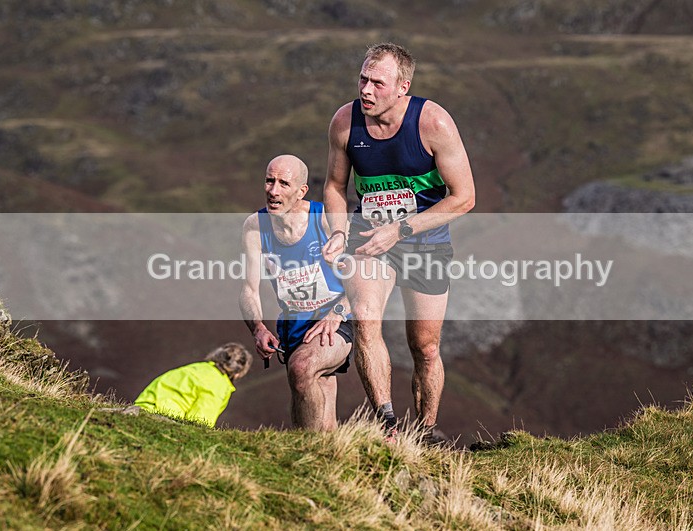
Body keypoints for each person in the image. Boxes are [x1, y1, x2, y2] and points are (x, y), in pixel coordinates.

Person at [322, 42, 475, 442]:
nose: (366, 90)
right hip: (369, 239)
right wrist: (338, 231)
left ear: (402, 87)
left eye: (377, 83)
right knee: (366, 323)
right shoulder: (345, 122)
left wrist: (402, 229)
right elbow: (335, 186)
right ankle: (388, 425)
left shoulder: (434, 123)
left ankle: (426, 431)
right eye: (362, 79)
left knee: (424, 346)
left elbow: (464, 197)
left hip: (425, 242)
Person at [240, 154, 354, 431]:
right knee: (318, 405)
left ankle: (306, 453)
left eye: (283, 183)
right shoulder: (255, 226)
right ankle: (329, 459)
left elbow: (364, 280)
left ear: (302, 190)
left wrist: (337, 314)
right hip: (293, 324)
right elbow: (248, 288)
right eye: (269, 181)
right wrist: (257, 328)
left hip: (336, 318)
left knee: (302, 369)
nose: (273, 191)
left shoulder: (326, 219)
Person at [133, 342, 252, 427]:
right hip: (163, 419)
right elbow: (199, 423)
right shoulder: (218, 385)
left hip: (140, 408)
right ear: (238, 373)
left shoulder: (196, 368)